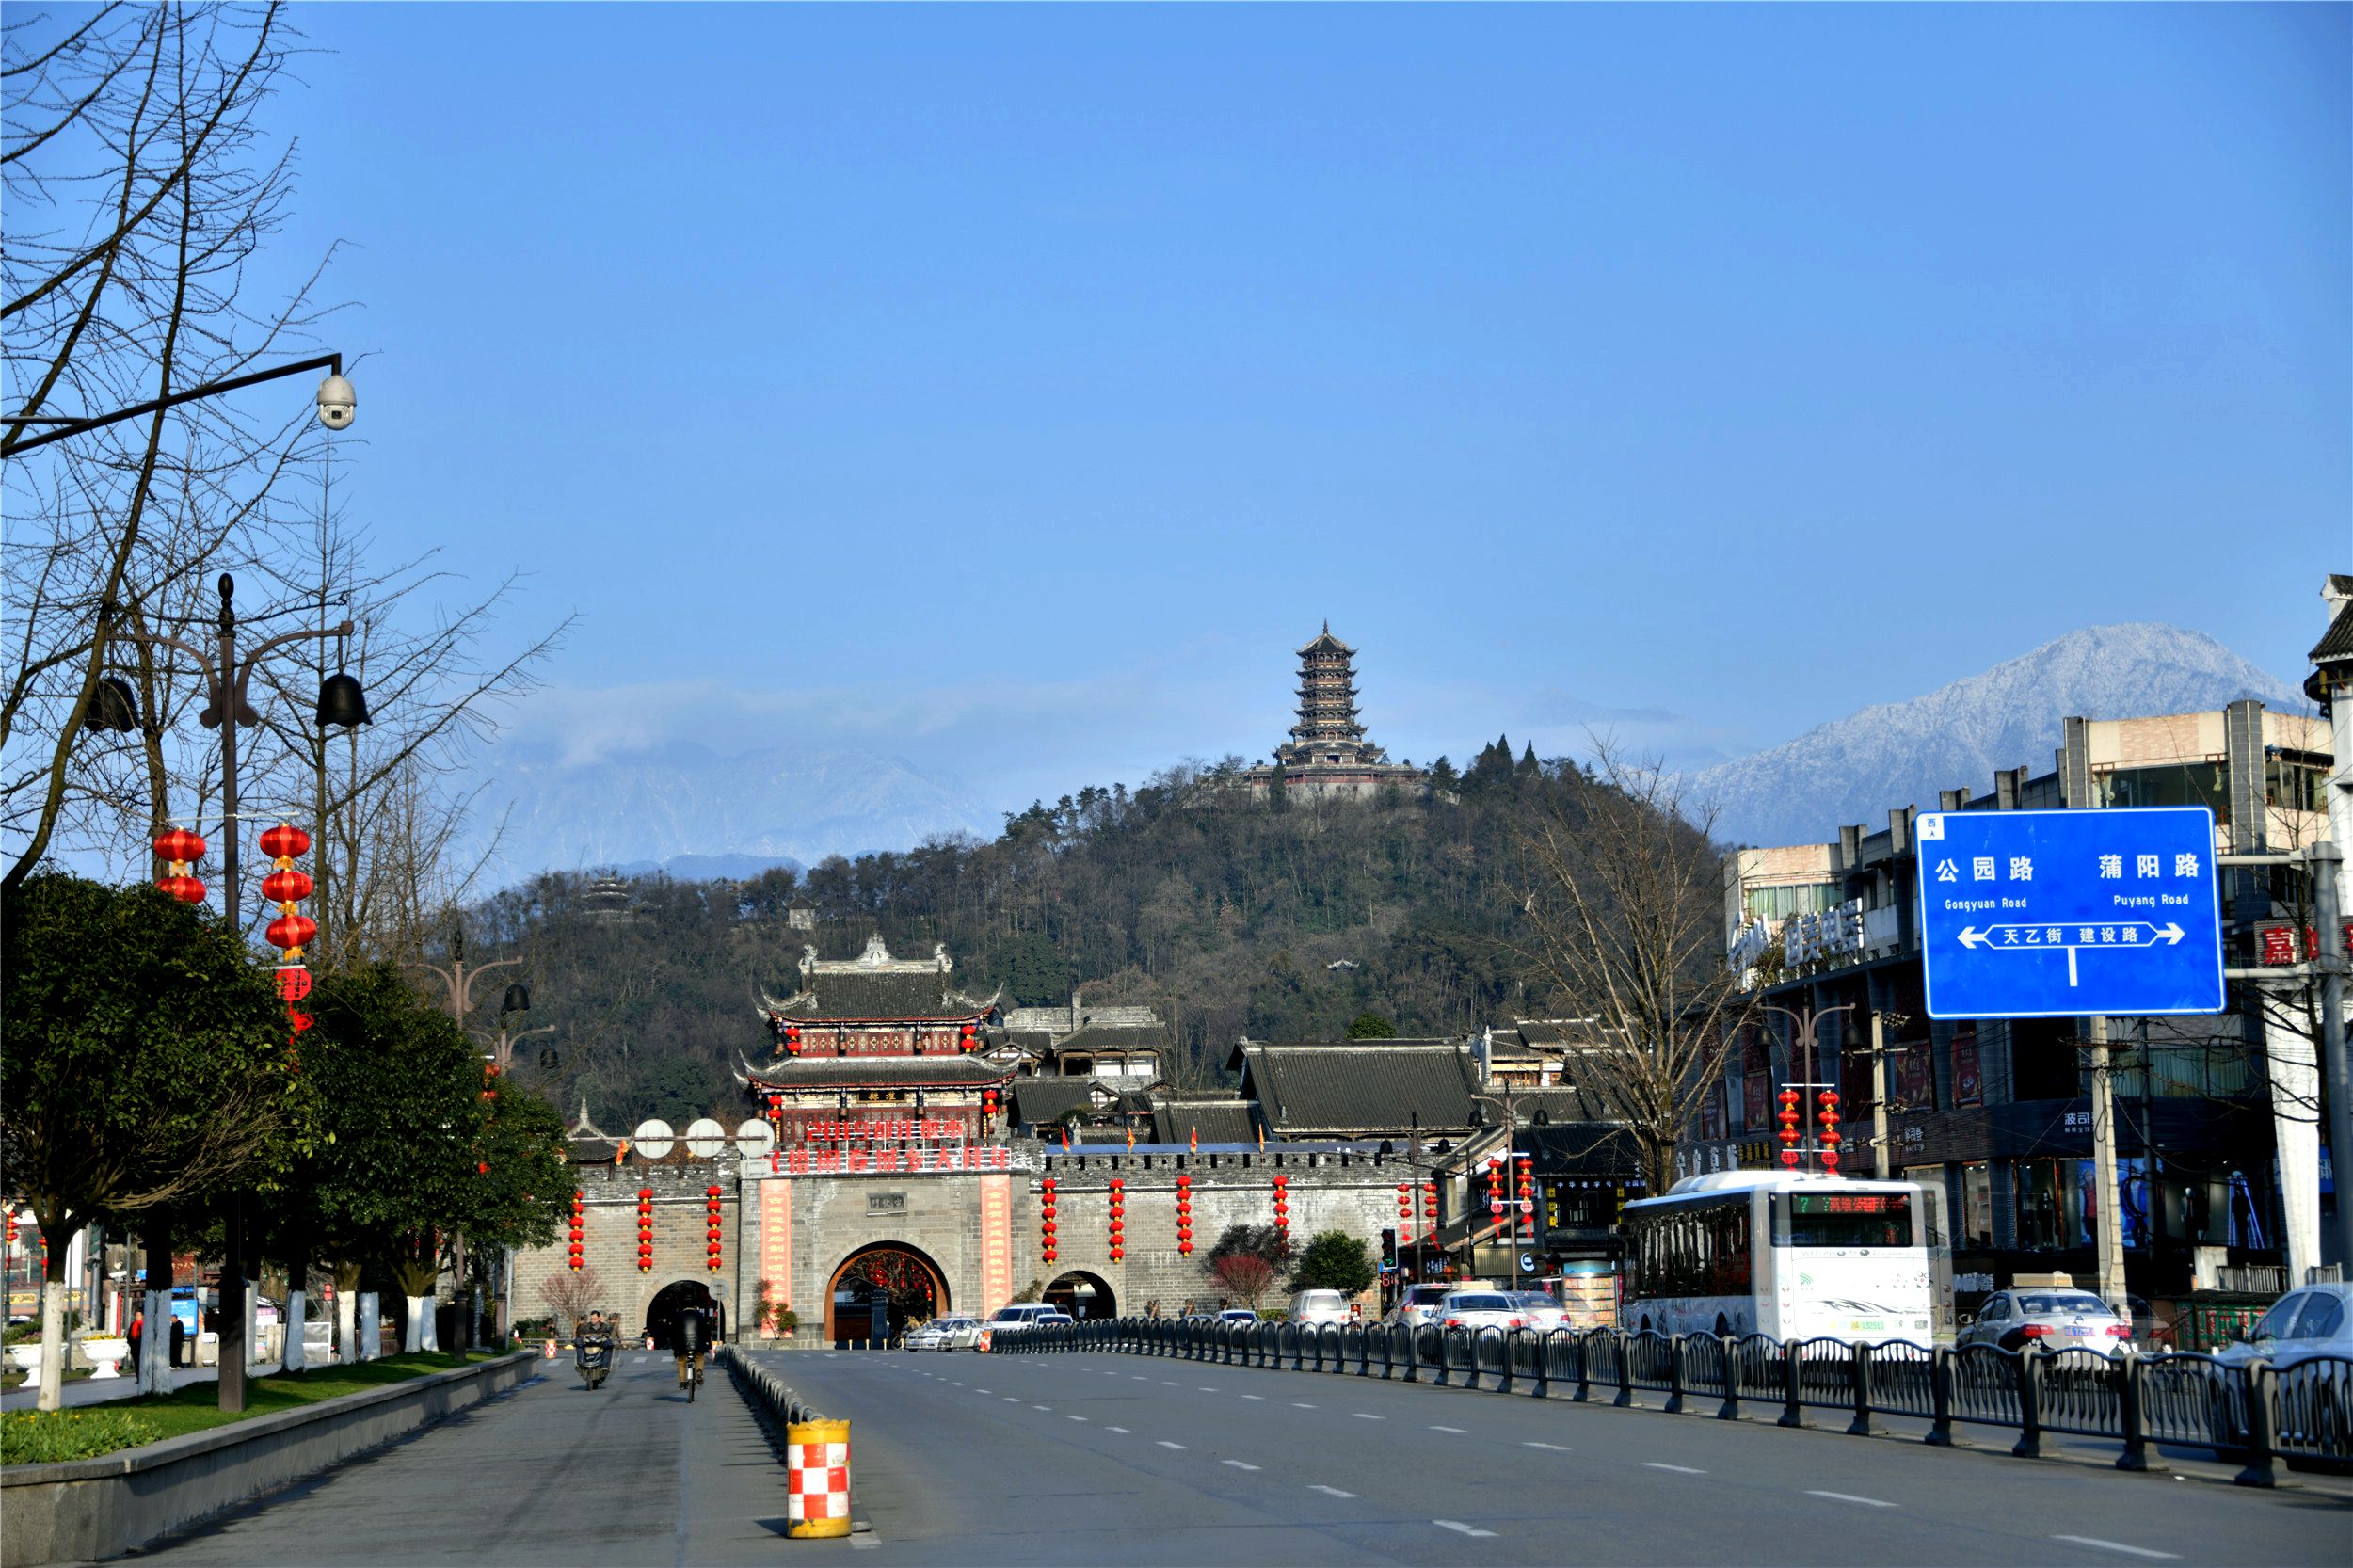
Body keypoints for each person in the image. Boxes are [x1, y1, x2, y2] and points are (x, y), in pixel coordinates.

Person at [674, 1304, 708, 1393]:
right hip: (698, 1344)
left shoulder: (678, 1317)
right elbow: (706, 1329)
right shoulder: (700, 1316)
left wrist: (675, 1346)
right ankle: (699, 1370)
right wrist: (707, 1342)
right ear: (694, 1307)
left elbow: (674, 1332)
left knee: (681, 1362)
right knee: (700, 1357)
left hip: (683, 1345)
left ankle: (683, 1381)